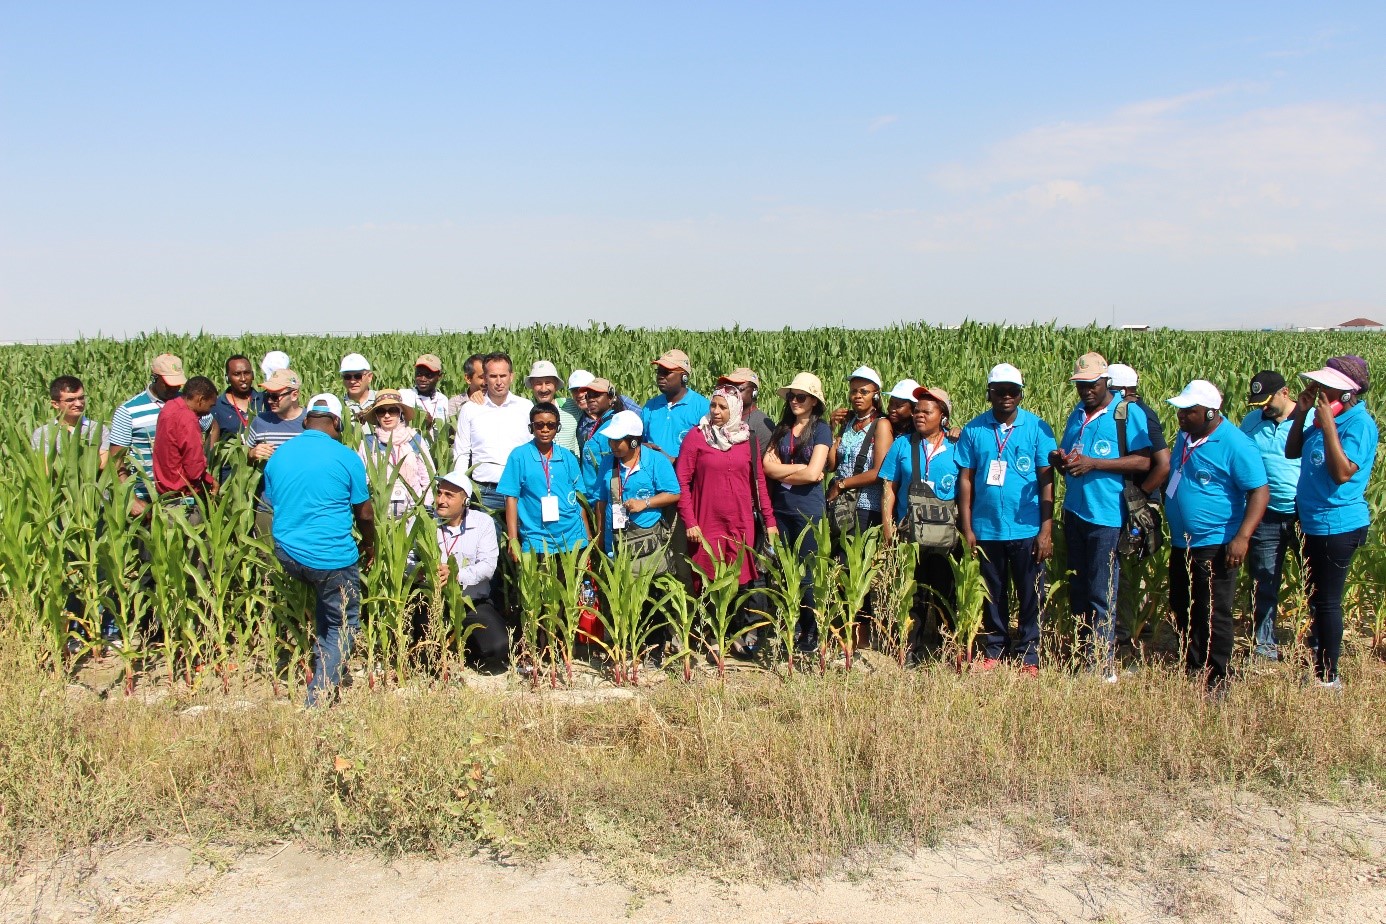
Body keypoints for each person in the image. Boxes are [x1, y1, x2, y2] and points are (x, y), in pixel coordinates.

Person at [264, 394, 376, 708]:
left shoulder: (278, 456)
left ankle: (322, 663)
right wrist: (369, 546)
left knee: (325, 610)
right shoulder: (346, 456)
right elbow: (364, 513)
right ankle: (320, 696)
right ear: (337, 423)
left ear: (305, 421)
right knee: (344, 622)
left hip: (288, 553)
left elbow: (273, 502)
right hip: (331, 557)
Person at [1049, 352, 1152, 681]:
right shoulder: (1078, 413)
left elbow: (1143, 461)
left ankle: (1102, 664)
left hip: (1107, 515)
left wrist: (1096, 463)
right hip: (1076, 510)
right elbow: (1071, 455)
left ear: (1106, 380)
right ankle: (1082, 654)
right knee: (1079, 588)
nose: (1086, 391)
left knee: (1101, 590)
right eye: (1080, 385)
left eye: (1092, 384)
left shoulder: (1126, 413)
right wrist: (1060, 460)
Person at [1164, 380, 1269, 692]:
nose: (1181, 415)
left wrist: (1243, 537)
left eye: (1189, 411)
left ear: (1210, 413)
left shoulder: (1235, 443)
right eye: (1180, 410)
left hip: (1217, 541)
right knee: (1183, 603)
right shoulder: (1186, 438)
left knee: (1213, 610)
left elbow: (1260, 491)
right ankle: (1195, 663)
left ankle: (1219, 674)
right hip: (1182, 542)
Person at [955, 364, 1057, 675]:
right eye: (999, 391)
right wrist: (967, 526)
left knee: (1030, 593)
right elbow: (966, 480)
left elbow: (1047, 480)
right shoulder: (974, 430)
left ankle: (1029, 653)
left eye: (1012, 391)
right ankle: (996, 647)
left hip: (1026, 526)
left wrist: (1046, 530)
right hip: (987, 528)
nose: (1006, 397)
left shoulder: (1038, 429)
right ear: (989, 393)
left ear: (1021, 393)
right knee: (993, 593)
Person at [1285, 355, 1377, 689]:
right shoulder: (1322, 420)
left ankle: (1328, 676)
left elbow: (1341, 473)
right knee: (1316, 597)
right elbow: (1292, 452)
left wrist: (1327, 426)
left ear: (1347, 394)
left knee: (1327, 601)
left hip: (1336, 524)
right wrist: (1300, 414)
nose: (1319, 392)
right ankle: (1317, 656)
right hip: (1310, 520)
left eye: (1326, 388)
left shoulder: (1358, 424)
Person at [676, 386, 778, 651]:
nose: (716, 412)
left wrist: (770, 522)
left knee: (739, 580)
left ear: (735, 409)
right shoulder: (697, 437)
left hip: (740, 523)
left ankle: (733, 634)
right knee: (708, 578)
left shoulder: (748, 438)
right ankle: (711, 636)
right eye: (713, 406)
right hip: (707, 523)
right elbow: (682, 483)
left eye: (723, 407)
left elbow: (759, 483)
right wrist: (690, 521)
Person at [881, 386, 961, 658]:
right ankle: (909, 648)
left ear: (943, 416)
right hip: (909, 533)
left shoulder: (957, 447)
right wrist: (887, 525)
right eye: (916, 410)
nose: (919, 415)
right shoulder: (903, 444)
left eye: (927, 411)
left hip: (945, 537)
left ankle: (945, 647)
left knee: (944, 592)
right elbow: (889, 487)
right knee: (911, 592)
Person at [762, 372, 832, 651]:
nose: (794, 401)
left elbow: (817, 471)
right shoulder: (781, 429)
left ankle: (811, 630)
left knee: (808, 573)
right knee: (784, 570)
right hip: (781, 510)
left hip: (808, 511)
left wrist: (784, 472)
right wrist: (797, 470)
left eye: (800, 397)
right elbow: (768, 467)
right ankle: (791, 626)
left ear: (814, 401)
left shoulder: (821, 429)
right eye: (792, 396)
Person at [1239, 371, 1302, 661]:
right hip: (1265, 515)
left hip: (1304, 514)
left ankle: (1314, 643)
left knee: (1313, 581)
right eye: (1258, 403)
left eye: (1268, 401)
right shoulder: (1251, 423)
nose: (1263, 408)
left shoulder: (1310, 420)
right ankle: (1264, 645)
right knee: (1264, 581)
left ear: (1285, 392)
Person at [426, 466, 507, 672]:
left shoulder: (483, 523)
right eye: (439, 493)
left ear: (465, 501)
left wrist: (456, 575)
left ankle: (467, 648)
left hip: (471, 602)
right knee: (425, 656)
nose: (441, 500)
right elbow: (408, 560)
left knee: (498, 648)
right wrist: (422, 572)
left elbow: (488, 567)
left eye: (449, 495)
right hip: (434, 601)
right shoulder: (426, 522)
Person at [497, 402, 591, 555]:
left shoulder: (567, 456)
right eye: (539, 425)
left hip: (573, 537)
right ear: (531, 427)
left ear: (558, 427)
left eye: (551, 425)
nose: (545, 429)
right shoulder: (519, 456)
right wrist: (513, 539)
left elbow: (579, 499)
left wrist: (586, 535)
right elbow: (511, 499)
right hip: (536, 538)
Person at [452, 352, 534, 518]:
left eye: (503, 376)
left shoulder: (525, 407)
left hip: (522, 491)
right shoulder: (470, 409)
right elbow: (461, 452)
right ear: (485, 378)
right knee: (487, 543)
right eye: (493, 376)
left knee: (523, 542)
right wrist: (460, 489)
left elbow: (534, 448)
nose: (498, 382)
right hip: (484, 493)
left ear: (512, 376)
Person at [108, 353, 189, 516]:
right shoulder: (129, 411)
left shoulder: (188, 403)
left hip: (185, 498)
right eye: (168, 383)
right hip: (146, 499)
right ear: (154, 377)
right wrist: (130, 499)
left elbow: (211, 425)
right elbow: (116, 460)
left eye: (178, 383)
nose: (174, 388)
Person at [826, 365, 893, 531]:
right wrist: (831, 428)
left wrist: (841, 484)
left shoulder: (881, 425)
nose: (857, 396)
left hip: (866, 506)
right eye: (853, 391)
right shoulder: (849, 423)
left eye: (864, 392)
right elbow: (832, 465)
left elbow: (879, 472)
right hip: (842, 504)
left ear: (876, 396)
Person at [245, 368, 307, 536]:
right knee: (266, 556)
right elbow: (244, 459)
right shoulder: (260, 422)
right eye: (267, 395)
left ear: (294, 395)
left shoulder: (310, 422)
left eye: (275, 396)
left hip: (302, 506)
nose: (270, 400)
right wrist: (252, 454)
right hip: (268, 504)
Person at [358, 389, 434, 519]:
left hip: (413, 511)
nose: (387, 416)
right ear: (376, 416)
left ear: (401, 413)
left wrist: (427, 506)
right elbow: (363, 478)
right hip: (380, 513)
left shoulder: (414, 439)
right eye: (381, 411)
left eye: (392, 410)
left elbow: (427, 476)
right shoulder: (369, 443)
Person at [152, 375, 219, 505]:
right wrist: (209, 480)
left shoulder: (170, 407)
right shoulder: (188, 418)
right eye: (210, 406)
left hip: (165, 495)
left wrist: (209, 479)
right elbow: (194, 468)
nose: (209, 411)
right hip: (183, 498)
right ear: (200, 399)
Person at [1107, 364, 1172, 496]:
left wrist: (1141, 495)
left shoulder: (1142, 415)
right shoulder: (1116, 412)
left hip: (1137, 501)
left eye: (1109, 389)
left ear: (1123, 391)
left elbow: (1164, 464)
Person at [642, 349, 710, 461]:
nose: (660, 376)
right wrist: (644, 447)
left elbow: (708, 452)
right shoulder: (650, 406)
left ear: (684, 377)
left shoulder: (702, 407)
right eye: (659, 372)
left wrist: (675, 461)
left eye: (666, 372)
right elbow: (637, 441)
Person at [32, 375, 110, 467]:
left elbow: (103, 464)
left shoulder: (98, 429)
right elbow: (46, 468)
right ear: (55, 404)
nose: (78, 404)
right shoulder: (43, 433)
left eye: (81, 398)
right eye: (70, 400)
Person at [577, 378, 619, 497]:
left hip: (602, 498)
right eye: (588, 396)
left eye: (597, 395)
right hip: (595, 497)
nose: (591, 400)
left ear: (610, 398)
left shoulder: (611, 427)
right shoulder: (601, 423)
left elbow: (613, 468)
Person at [208, 354, 264, 444]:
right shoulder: (216, 406)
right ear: (227, 378)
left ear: (253, 375)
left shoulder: (265, 401)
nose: (243, 378)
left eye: (246, 373)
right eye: (237, 374)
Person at [526, 361, 579, 454]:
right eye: (538, 383)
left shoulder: (571, 405)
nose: (543, 389)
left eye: (548, 383)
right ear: (532, 385)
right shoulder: (526, 408)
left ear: (555, 384)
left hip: (570, 466)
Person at [717, 368, 773, 446]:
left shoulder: (761, 425)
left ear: (754, 392)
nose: (731, 392)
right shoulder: (721, 416)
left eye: (738, 389)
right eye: (728, 388)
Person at [399, 354, 450, 436]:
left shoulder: (443, 400)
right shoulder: (404, 395)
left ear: (439, 376)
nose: (422, 379)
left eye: (428, 375)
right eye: (419, 374)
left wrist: (431, 422)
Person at [339, 353, 376, 423]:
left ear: (369, 377)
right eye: (347, 377)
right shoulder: (339, 405)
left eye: (358, 376)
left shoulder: (381, 399)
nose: (352, 381)